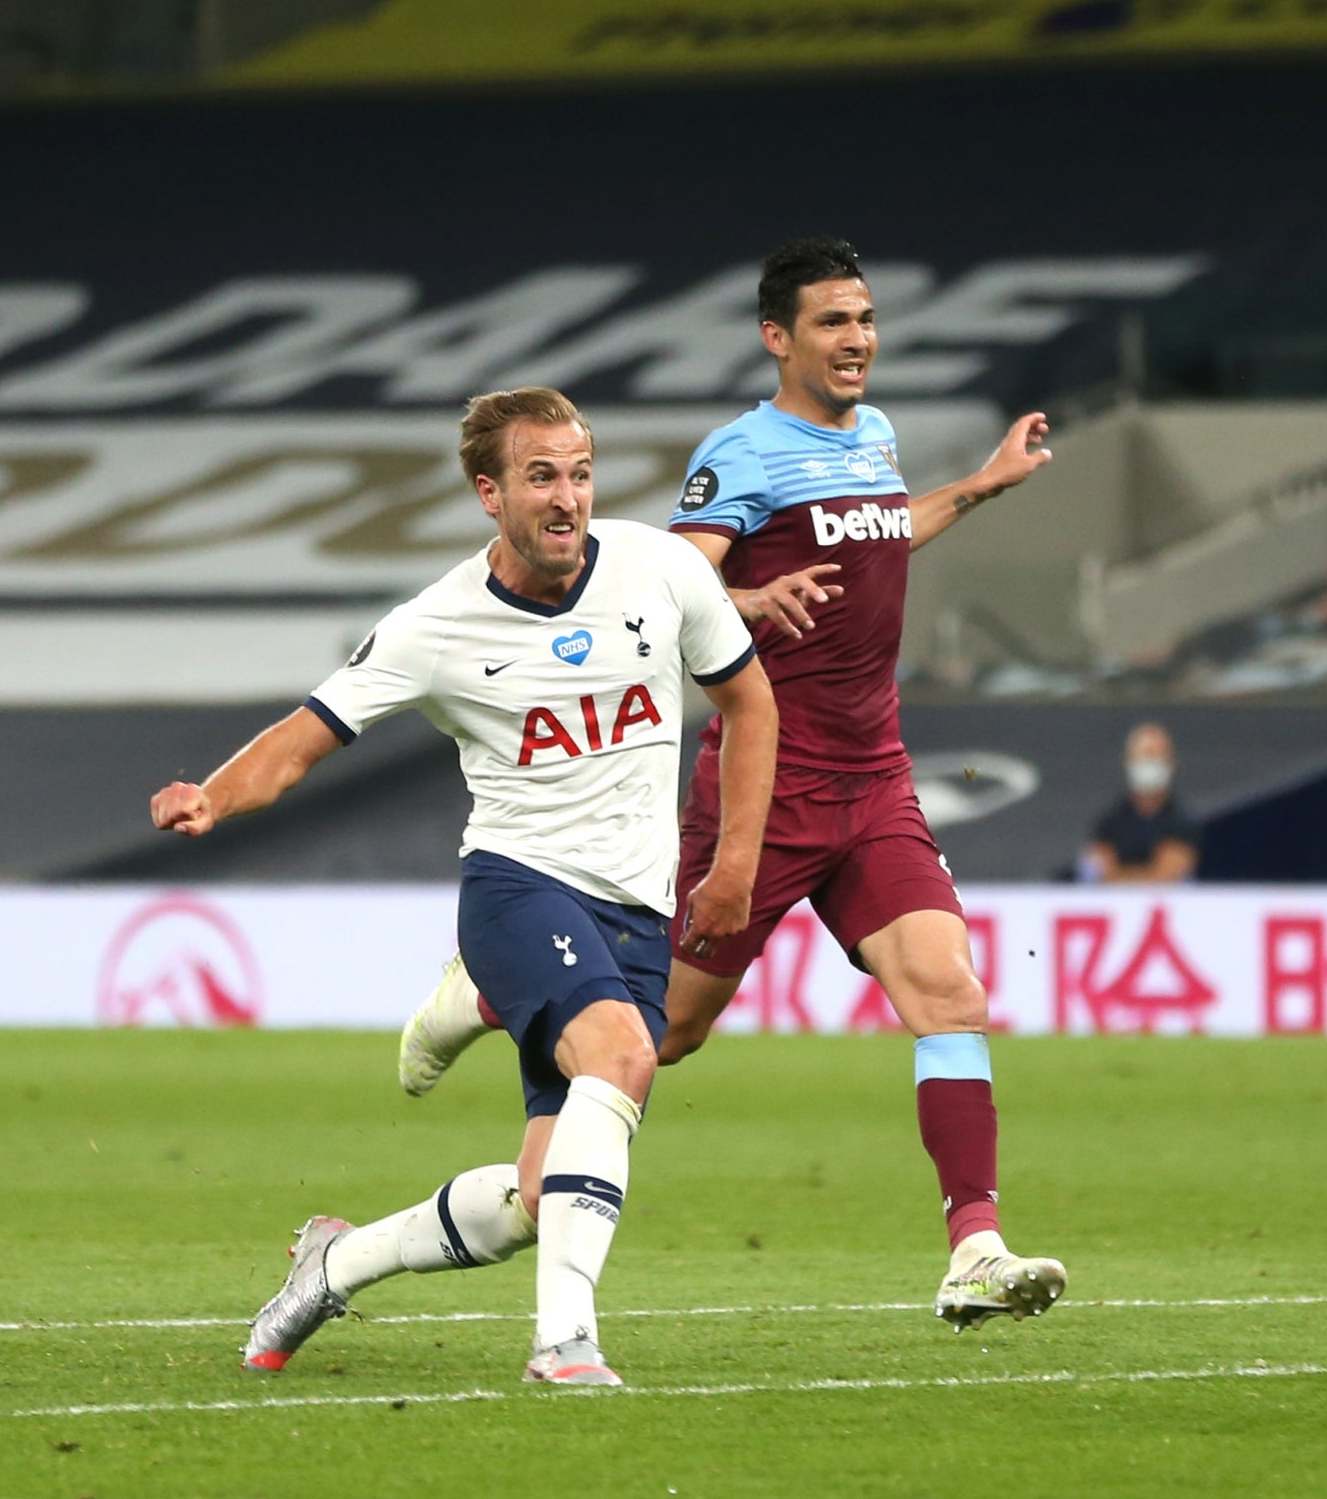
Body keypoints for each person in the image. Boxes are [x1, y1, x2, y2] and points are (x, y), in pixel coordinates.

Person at [398, 237, 1067, 1331]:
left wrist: (982, 486)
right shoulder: (743, 453)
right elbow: (666, 586)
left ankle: (974, 1247)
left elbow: (885, 536)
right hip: (769, 780)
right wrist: (753, 603)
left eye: (864, 319)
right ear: (778, 337)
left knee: (949, 992)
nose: (857, 340)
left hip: (875, 775)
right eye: (832, 323)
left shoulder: (877, 439)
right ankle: (487, 988)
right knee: (663, 1033)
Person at [149, 387, 777, 1386]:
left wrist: (735, 860)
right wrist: (213, 798)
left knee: (541, 1196)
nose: (567, 496)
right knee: (622, 1053)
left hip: (637, 906)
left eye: (579, 470)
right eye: (541, 476)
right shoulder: (436, 623)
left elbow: (748, 699)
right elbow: (303, 737)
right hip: (518, 886)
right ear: (489, 492)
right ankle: (563, 1345)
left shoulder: (659, 569)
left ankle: (334, 1260)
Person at [1080, 722, 1200, 883]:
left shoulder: (1182, 822)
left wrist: (1125, 875)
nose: (1148, 763)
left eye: (1155, 757)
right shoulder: (1109, 822)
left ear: (1171, 762)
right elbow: (1104, 874)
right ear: (1128, 761)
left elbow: (1166, 877)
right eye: (1143, 756)